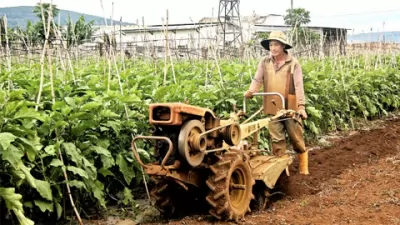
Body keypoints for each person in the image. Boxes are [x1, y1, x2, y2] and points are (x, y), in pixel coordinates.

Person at [244, 30, 309, 175]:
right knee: (277, 141)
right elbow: (257, 79)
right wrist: (251, 91)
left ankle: (304, 167)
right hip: (272, 106)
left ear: (283, 46)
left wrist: (301, 106)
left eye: (276, 45)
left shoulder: (293, 63)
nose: (273, 48)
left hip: (290, 108)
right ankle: (281, 172)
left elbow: (299, 85)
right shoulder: (265, 62)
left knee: (296, 138)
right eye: (271, 45)